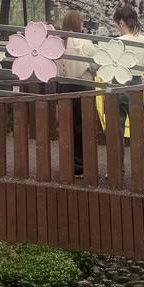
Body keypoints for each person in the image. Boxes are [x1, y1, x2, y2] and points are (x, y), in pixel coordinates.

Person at [112, 4, 144, 185]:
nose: (116, 27)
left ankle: (116, 170)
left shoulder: (118, 41)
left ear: (122, 22)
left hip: (119, 82)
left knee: (117, 130)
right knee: (141, 131)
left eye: (117, 23)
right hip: (137, 83)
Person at [58, 10, 95, 176]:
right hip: (82, 87)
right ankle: (80, 164)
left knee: (66, 126)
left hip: (63, 87)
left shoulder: (59, 41)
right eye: (81, 22)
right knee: (82, 127)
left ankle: (67, 162)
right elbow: (95, 65)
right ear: (77, 23)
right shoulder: (84, 41)